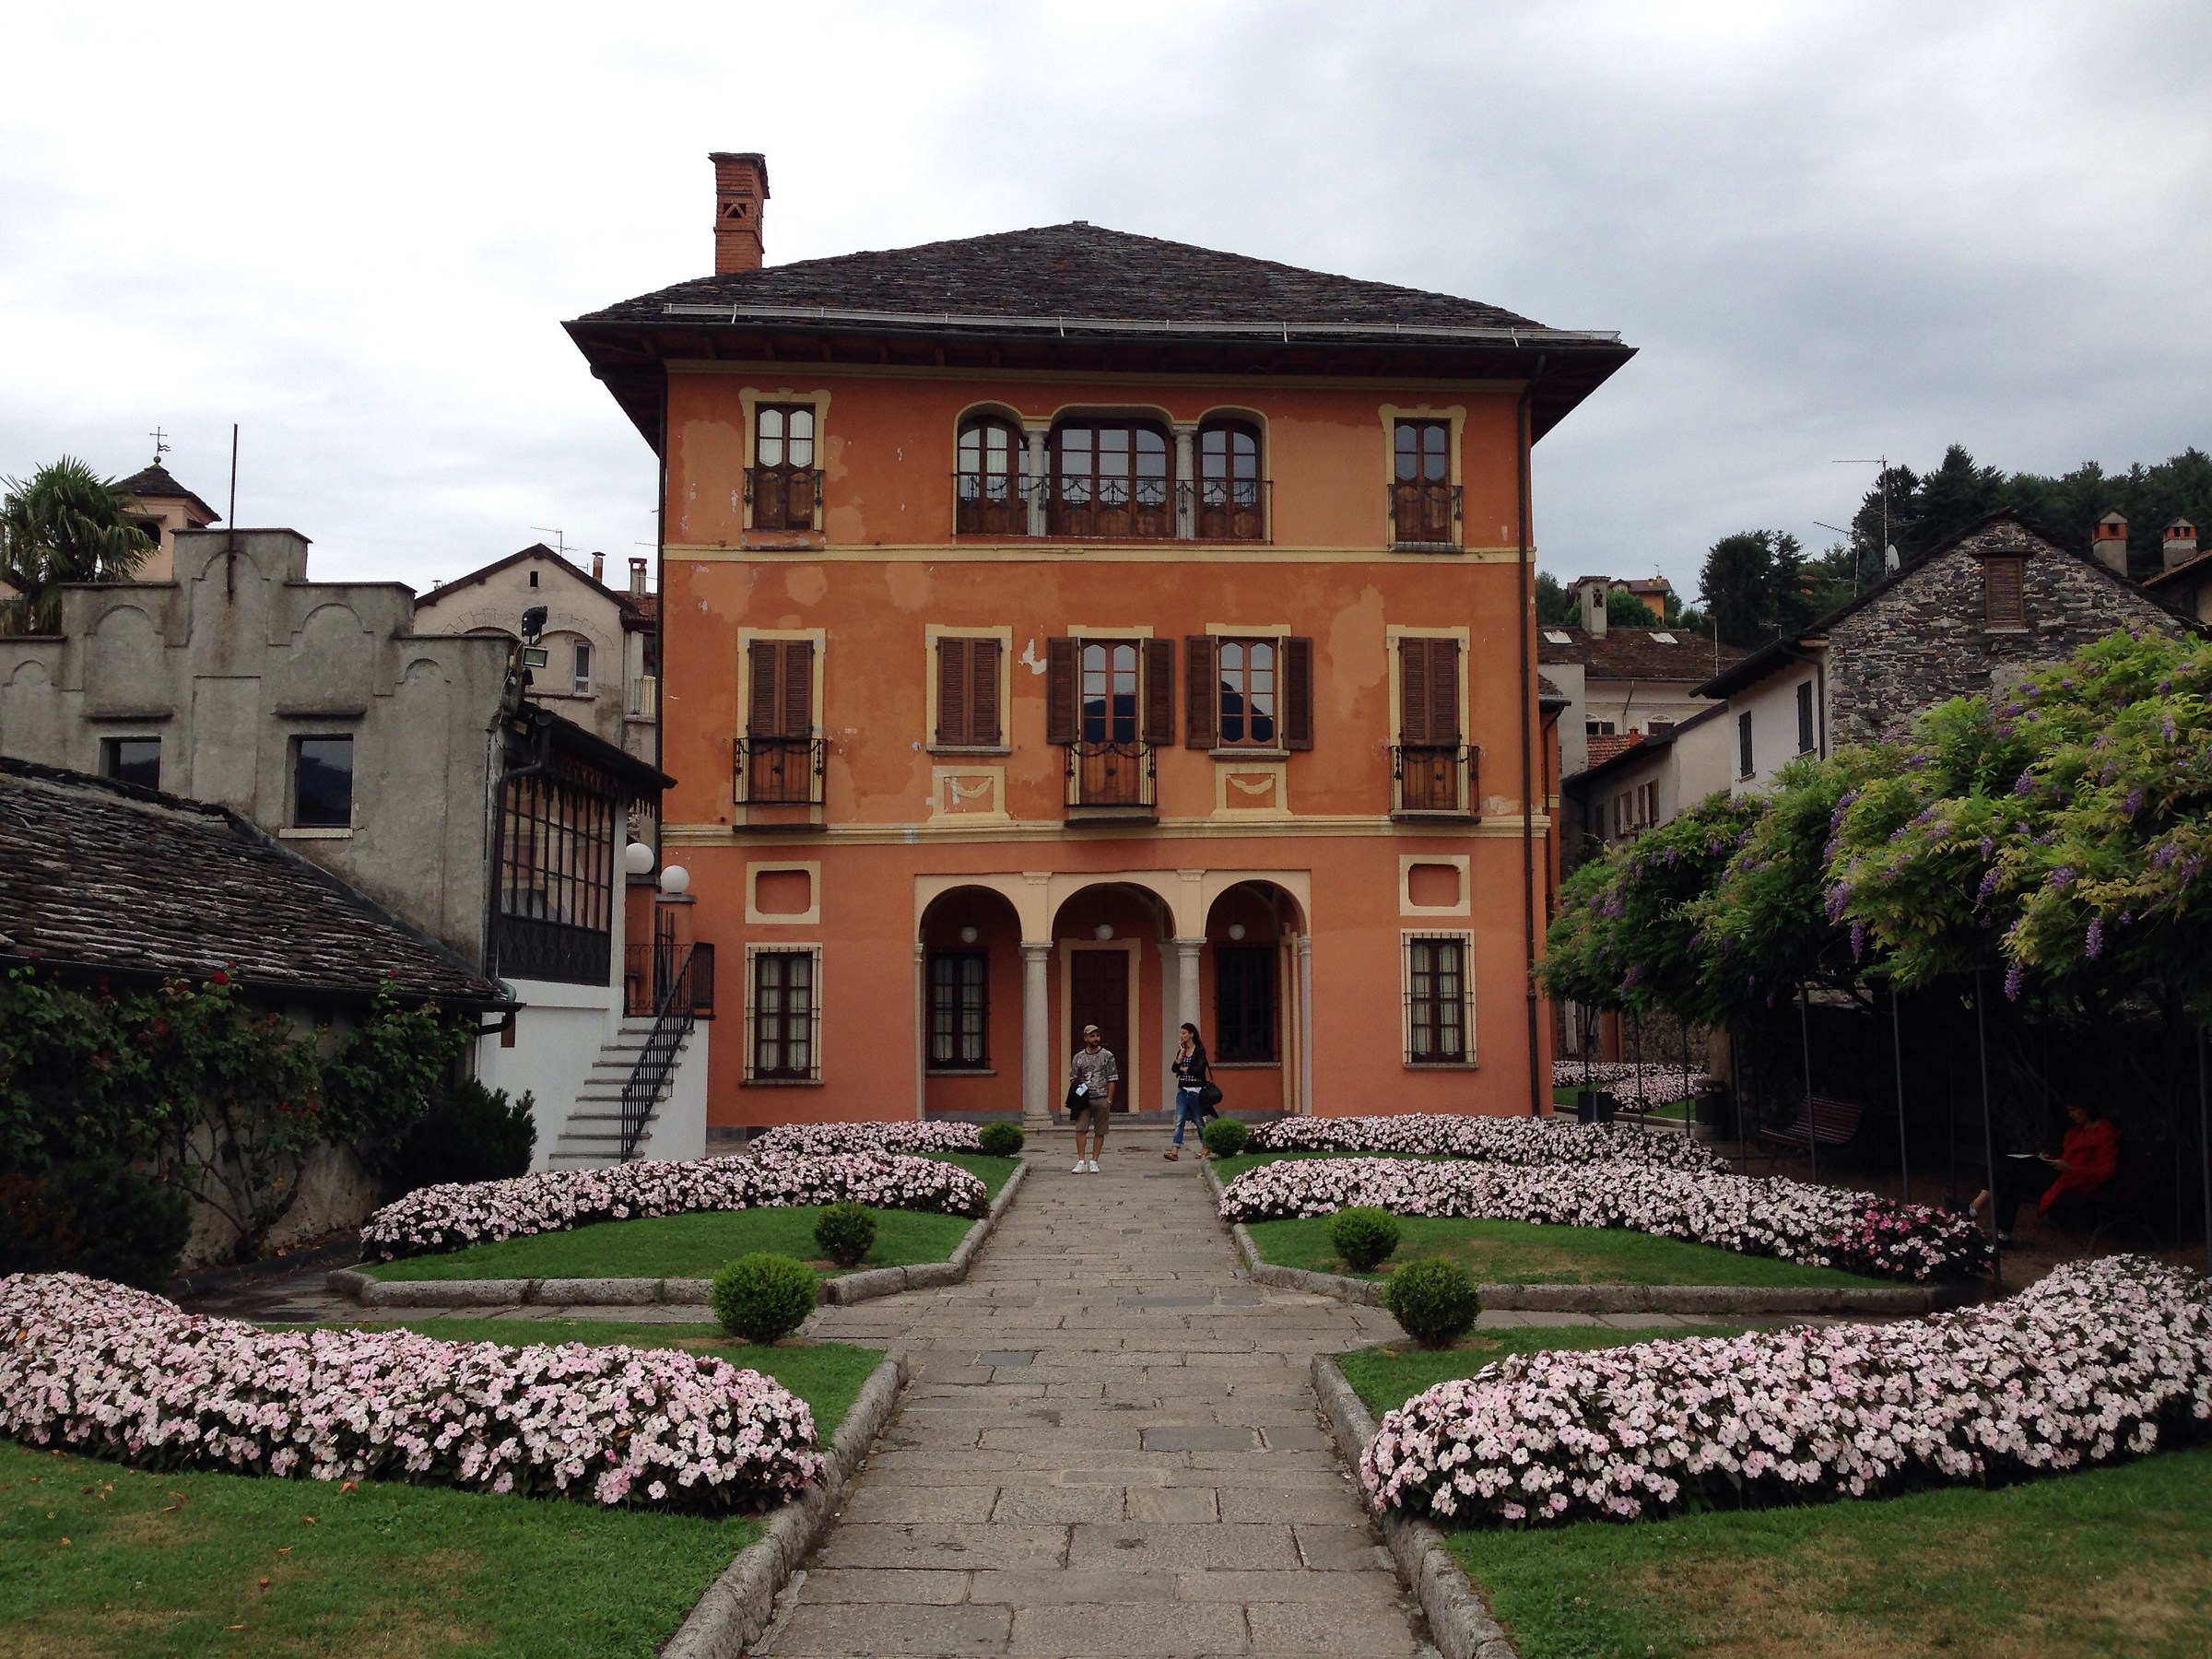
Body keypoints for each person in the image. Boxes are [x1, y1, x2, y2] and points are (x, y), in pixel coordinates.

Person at [1968, 1100, 2118, 1244]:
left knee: (2008, 1164)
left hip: (2075, 1180)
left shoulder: (2104, 1134)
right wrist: (2052, 1158)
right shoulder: (2076, 1131)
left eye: (2074, 1110)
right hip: (2061, 1171)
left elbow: (2105, 1170)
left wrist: (2072, 1169)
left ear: (2087, 1109)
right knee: (2011, 1178)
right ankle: (2003, 1236)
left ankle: (1974, 1209)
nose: (2071, 1115)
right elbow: (2069, 1155)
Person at [1067, 1023, 1118, 1174]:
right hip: (1084, 1099)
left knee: (1100, 1131)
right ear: (1085, 1038)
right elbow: (1073, 1078)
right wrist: (1078, 1094)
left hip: (1101, 1097)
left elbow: (1112, 1078)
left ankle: (1094, 1160)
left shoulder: (1107, 1056)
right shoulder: (1079, 1058)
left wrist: (1109, 1099)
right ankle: (1081, 1160)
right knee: (1080, 1129)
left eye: (1097, 1035)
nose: (1095, 1038)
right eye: (1092, 1036)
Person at [1166, 1022, 1212, 1160]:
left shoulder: (1199, 1050)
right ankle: (1174, 1151)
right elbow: (1174, 1068)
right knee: (1179, 1121)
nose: (1181, 1036)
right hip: (1183, 1090)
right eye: (1180, 1033)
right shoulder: (1183, 1050)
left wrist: (1186, 1069)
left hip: (1196, 1091)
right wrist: (1180, 1053)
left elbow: (1199, 1070)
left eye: (1184, 1033)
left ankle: (1205, 1147)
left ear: (1191, 1034)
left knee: (1198, 1120)